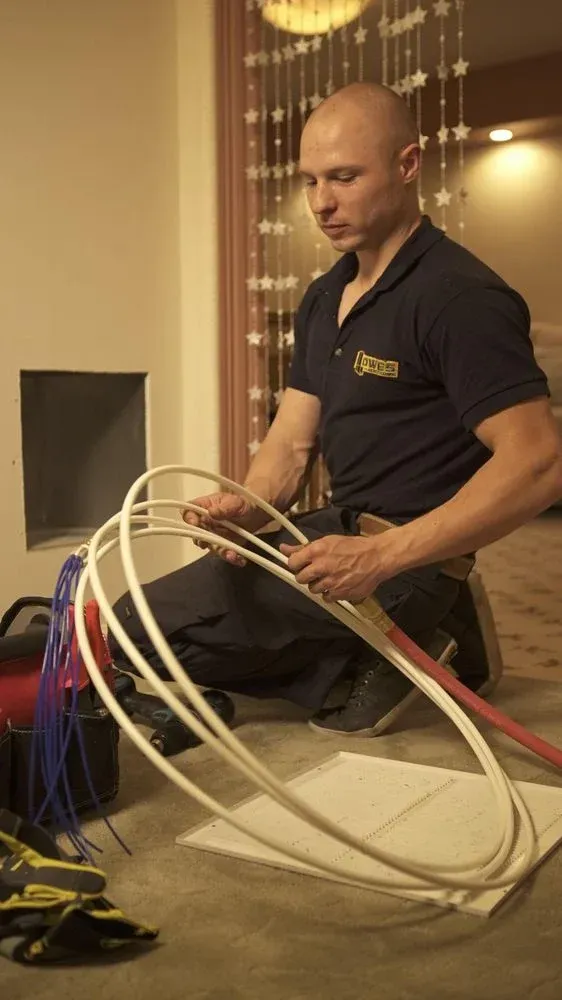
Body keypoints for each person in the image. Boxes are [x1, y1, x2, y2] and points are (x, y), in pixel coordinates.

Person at [109, 82, 562, 737]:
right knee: (135, 629)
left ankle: (413, 625)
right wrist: (249, 504)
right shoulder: (326, 298)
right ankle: (394, 651)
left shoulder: (461, 299)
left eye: (345, 178)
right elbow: (292, 442)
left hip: (408, 554)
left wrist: (381, 558)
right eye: (311, 181)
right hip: (334, 532)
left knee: (178, 641)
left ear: (408, 165)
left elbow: (539, 463)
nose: (322, 203)